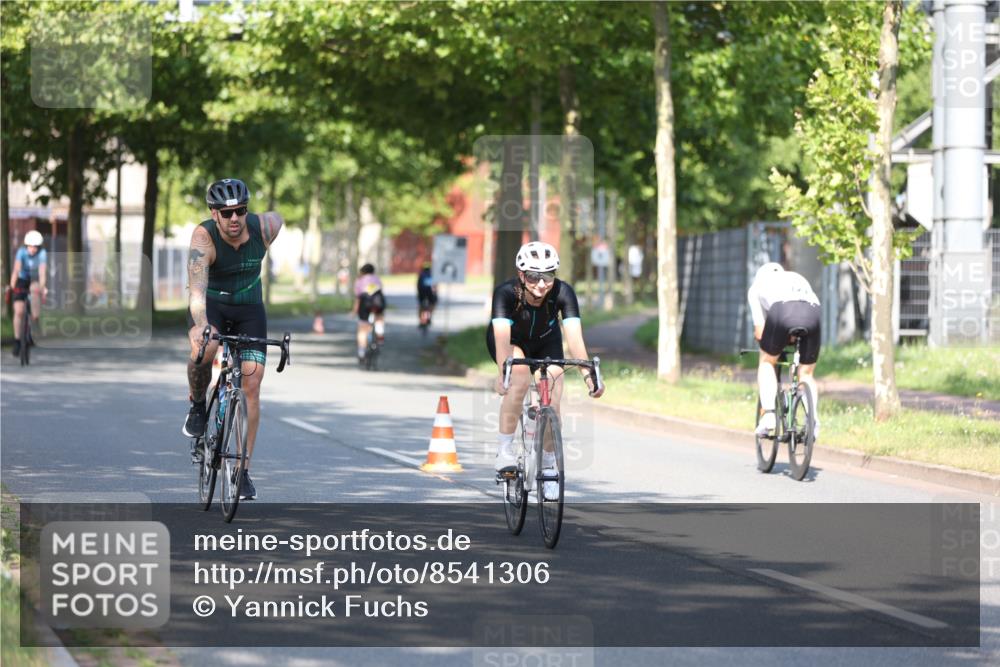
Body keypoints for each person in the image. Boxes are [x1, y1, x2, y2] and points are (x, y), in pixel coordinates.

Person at [183, 178, 284, 500]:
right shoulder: (203, 238)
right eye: (226, 213)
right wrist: (201, 325)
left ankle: (242, 472)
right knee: (205, 346)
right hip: (212, 303)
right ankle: (198, 405)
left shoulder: (266, 228)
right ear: (214, 214)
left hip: (249, 306)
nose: (234, 219)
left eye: (240, 210)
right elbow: (196, 292)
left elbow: (279, 216)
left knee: (252, 383)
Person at [488, 242, 604, 496]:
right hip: (513, 342)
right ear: (521, 275)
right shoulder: (506, 293)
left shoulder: (564, 293)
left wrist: (588, 375)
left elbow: (574, 338)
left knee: (552, 396)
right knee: (518, 380)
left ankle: (549, 467)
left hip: (546, 342)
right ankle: (505, 450)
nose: (541, 284)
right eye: (533, 276)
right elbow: (501, 338)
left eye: (548, 276)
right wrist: (501, 374)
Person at [747, 262, 821, 439]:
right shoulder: (797, 277)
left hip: (782, 309)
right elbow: (799, 315)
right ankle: (814, 421)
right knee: (807, 372)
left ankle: (769, 416)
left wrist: (769, 344)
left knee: (766, 362)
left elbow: (760, 331)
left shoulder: (756, 287)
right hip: (813, 311)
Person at [9, 230, 47, 357]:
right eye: (31, 246)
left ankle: (33, 329)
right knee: (19, 311)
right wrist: (12, 286)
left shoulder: (42, 254)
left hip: (34, 280)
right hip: (22, 280)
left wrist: (42, 288)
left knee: (35, 313)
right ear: (26, 245)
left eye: (36, 246)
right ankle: (17, 341)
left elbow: (42, 273)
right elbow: (16, 270)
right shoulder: (21, 252)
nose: (33, 249)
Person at [353, 263, 386, 363]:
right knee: (379, 317)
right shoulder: (377, 279)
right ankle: (380, 333)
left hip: (364, 303)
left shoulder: (360, 280)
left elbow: (358, 298)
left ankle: (361, 353)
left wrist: (354, 311)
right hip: (377, 302)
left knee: (362, 329)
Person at [416, 261, 437, 328]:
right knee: (432, 304)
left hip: (422, 293)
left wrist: (419, 293)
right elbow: (434, 286)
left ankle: (421, 320)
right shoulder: (432, 275)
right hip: (430, 293)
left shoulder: (421, 275)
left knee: (421, 306)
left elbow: (418, 286)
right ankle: (428, 317)